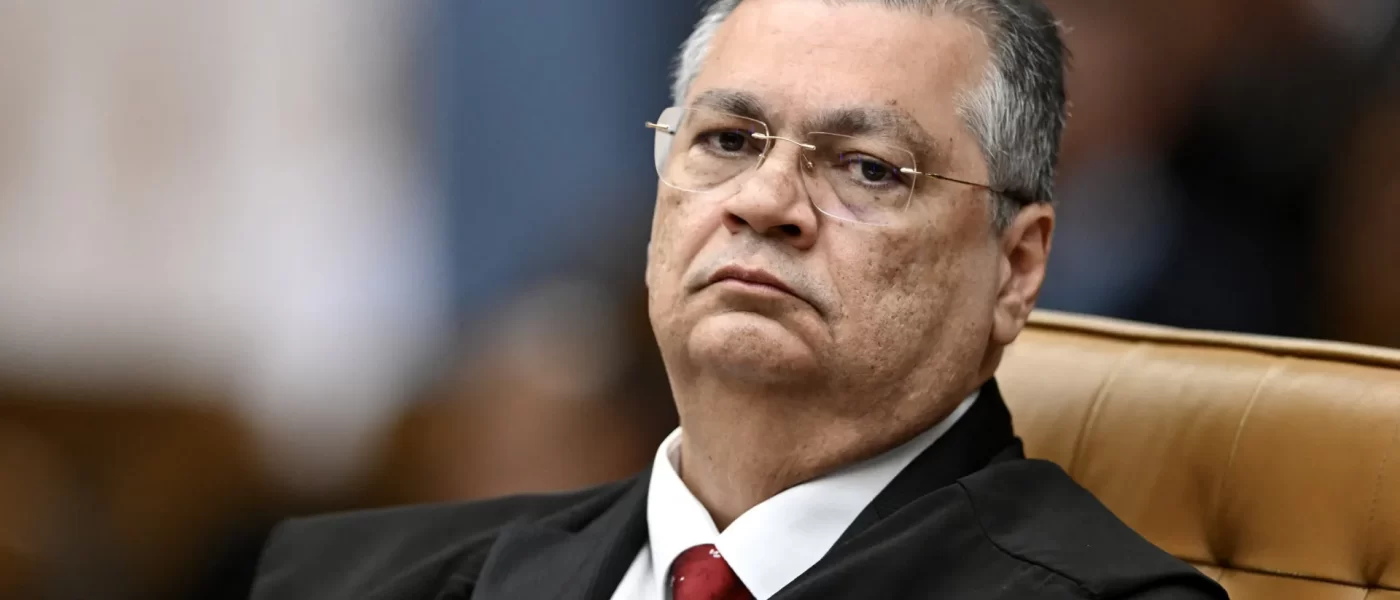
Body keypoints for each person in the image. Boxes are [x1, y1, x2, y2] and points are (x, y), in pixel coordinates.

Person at [250, 0, 1229, 598]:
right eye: (725, 141)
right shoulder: (344, 580)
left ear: (1013, 267)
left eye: (866, 167)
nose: (763, 202)